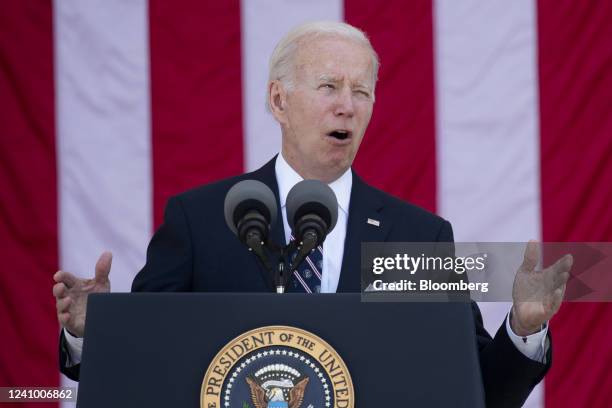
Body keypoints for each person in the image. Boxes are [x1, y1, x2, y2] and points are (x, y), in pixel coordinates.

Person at [53, 21, 572, 407]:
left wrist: (522, 328)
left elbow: (473, 386)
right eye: (329, 87)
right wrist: (94, 334)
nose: (347, 105)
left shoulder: (417, 236)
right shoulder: (202, 218)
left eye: (361, 92)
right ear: (279, 100)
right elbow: (148, 358)